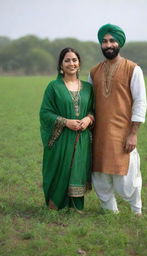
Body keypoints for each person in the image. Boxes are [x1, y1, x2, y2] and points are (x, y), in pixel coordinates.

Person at [89, 24, 147, 215]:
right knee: (100, 175)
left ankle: (136, 210)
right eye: (104, 41)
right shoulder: (94, 72)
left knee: (126, 178)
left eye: (112, 40)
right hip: (99, 134)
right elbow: (89, 103)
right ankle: (110, 213)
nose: (108, 45)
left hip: (123, 133)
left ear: (119, 43)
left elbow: (140, 102)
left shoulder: (133, 69)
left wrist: (133, 133)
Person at [39, 47, 94, 212]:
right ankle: (56, 206)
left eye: (74, 60)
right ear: (61, 65)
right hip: (61, 139)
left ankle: (76, 208)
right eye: (67, 60)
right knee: (58, 170)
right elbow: (45, 113)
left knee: (78, 169)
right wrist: (65, 122)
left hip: (82, 138)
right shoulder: (54, 87)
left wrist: (88, 119)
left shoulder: (88, 88)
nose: (71, 63)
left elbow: (94, 110)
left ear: (79, 63)